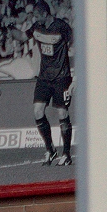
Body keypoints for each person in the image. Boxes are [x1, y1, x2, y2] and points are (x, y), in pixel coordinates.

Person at [29, 14, 74, 166]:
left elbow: (74, 42)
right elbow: (23, 36)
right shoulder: (37, 27)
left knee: (62, 112)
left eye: (34, 14)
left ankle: (66, 153)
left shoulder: (61, 26)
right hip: (44, 77)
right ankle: (50, 149)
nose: (34, 18)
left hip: (61, 76)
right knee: (37, 111)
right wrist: (9, 27)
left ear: (45, 14)